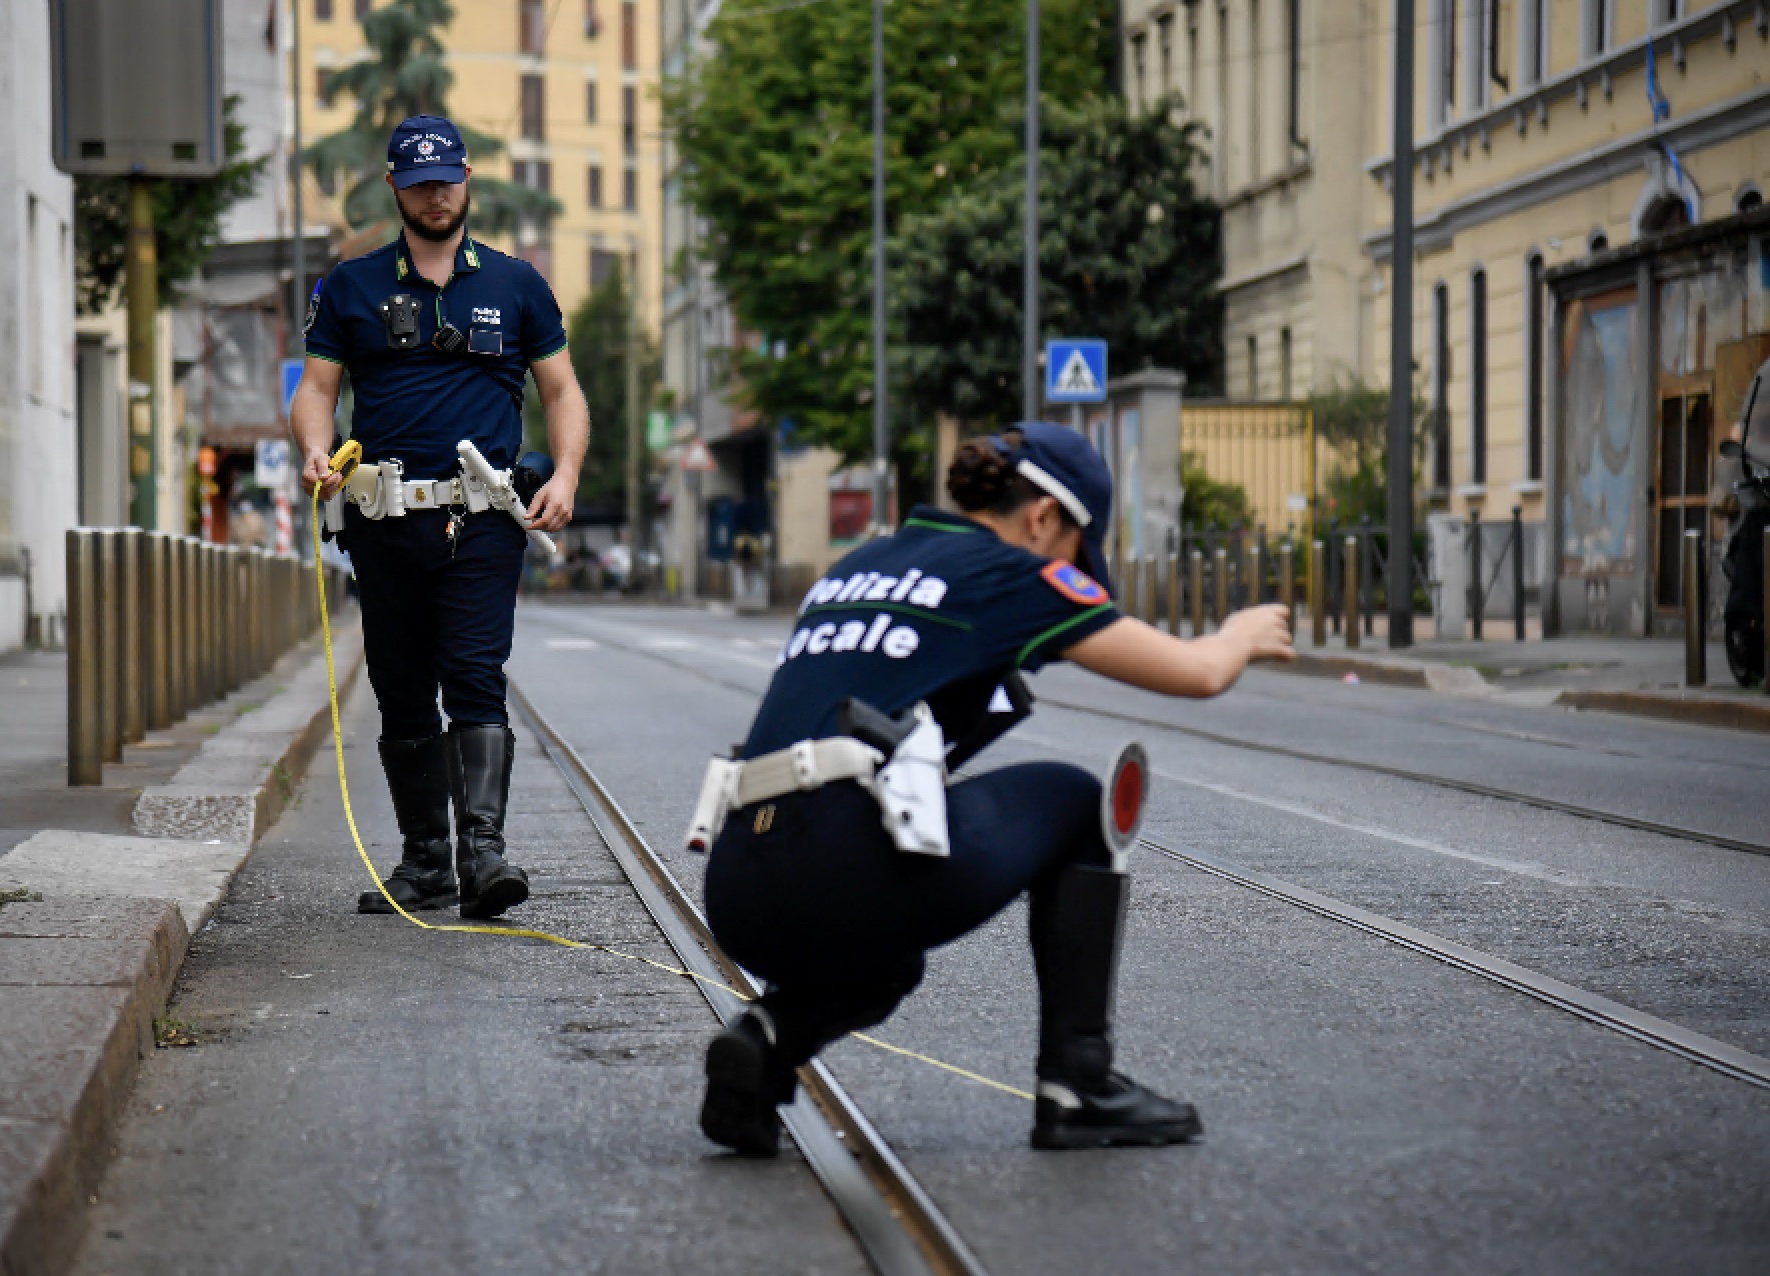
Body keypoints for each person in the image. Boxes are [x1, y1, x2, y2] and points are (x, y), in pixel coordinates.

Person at [695, 423, 1293, 1154]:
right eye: (1080, 545)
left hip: (738, 882)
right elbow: (1195, 673)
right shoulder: (1011, 571)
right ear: (1045, 518)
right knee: (1076, 800)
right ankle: (1079, 1081)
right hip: (839, 864)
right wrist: (1237, 633)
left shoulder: (859, 563)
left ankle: (765, 1040)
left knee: (886, 958)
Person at [291, 114, 589, 920]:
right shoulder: (348, 286)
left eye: (447, 180)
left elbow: (561, 391)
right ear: (394, 186)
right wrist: (317, 453)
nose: (436, 194)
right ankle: (425, 864)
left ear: (468, 184)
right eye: (419, 182)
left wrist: (564, 474)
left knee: (475, 675)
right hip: (382, 519)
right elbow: (317, 390)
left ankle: (482, 856)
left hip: (484, 517)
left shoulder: (517, 283)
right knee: (398, 687)